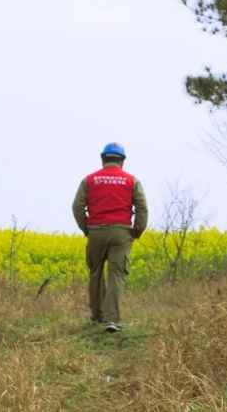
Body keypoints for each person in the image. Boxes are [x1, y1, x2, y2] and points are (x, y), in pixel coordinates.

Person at [72, 142, 148, 333]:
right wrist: (136, 231)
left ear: (103, 159)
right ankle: (112, 320)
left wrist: (86, 228)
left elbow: (77, 206)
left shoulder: (89, 180)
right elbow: (142, 208)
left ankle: (97, 317)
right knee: (116, 275)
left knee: (95, 272)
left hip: (96, 231)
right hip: (121, 232)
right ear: (122, 161)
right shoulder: (132, 181)